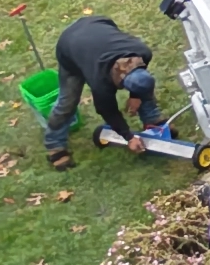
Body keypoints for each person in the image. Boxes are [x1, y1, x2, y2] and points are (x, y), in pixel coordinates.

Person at [44, 14, 160, 165]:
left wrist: (136, 95)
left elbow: (142, 81)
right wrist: (129, 137)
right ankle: (54, 144)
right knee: (68, 102)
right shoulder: (100, 82)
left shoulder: (142, 52)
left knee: (143, 85)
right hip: (69, 46)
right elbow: (108, 111)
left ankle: (152, 120)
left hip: (96, 23)